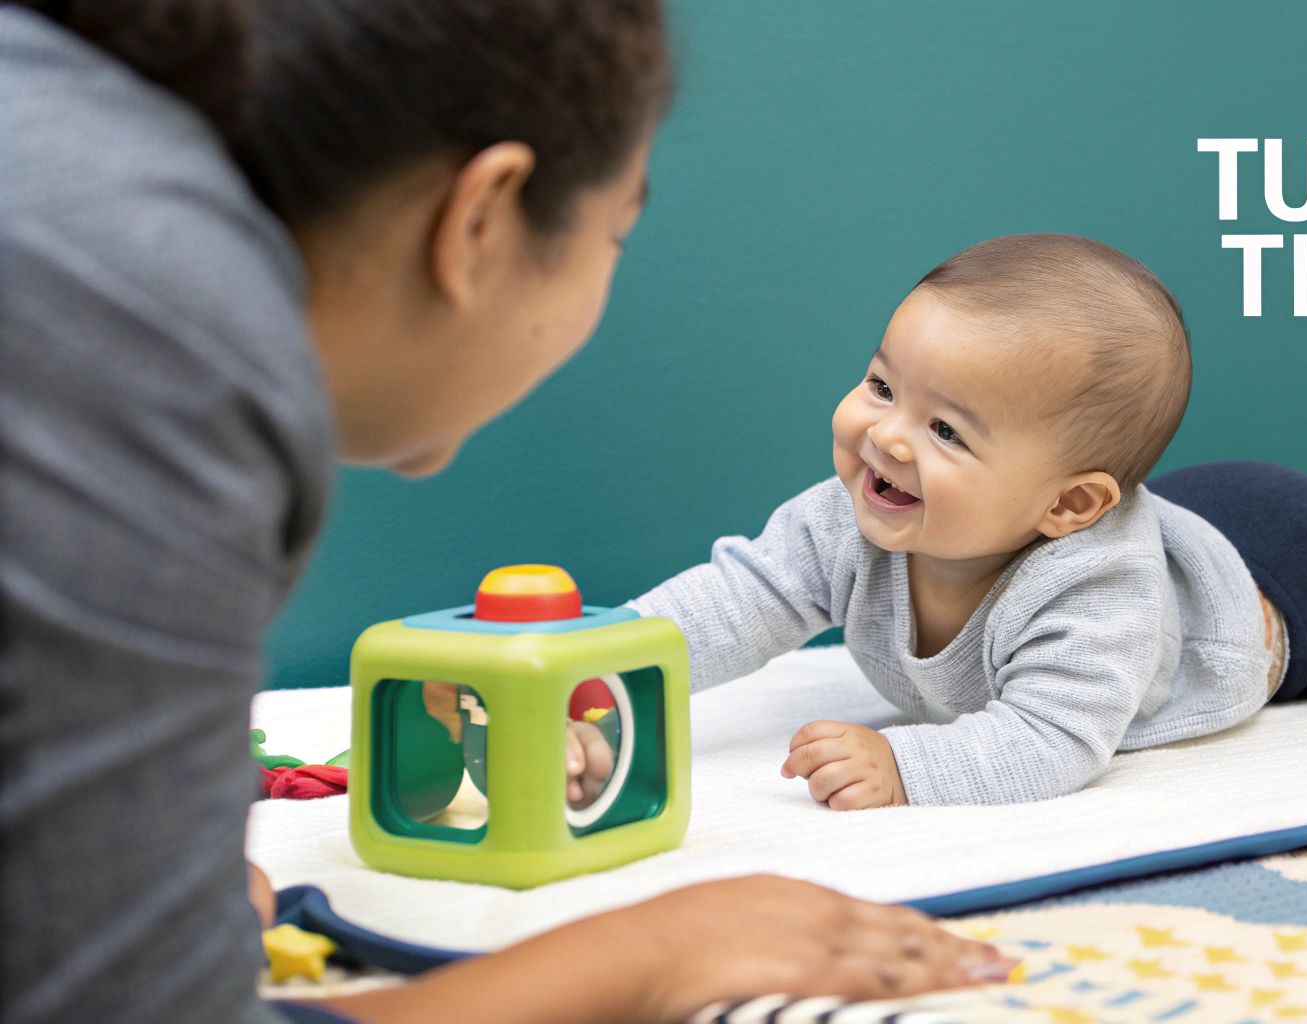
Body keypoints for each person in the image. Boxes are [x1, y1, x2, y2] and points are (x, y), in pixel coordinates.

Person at [0, 2, 1012, 1022]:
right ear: (483, 216)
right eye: (618, 233)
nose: (887, 438)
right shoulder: (154, 343)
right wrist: (653, 952)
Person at [610, 233, 1307, 809]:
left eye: (946, 431)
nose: (886, 437)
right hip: (1208, 522)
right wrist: (602, 666)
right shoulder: (849, 518)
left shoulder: (1093, 591)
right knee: (1300, 535)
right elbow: (736, 597)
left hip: (1293, 592)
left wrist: (909, 769)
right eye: (882, 387)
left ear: (1069, 505)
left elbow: (1053, 738)